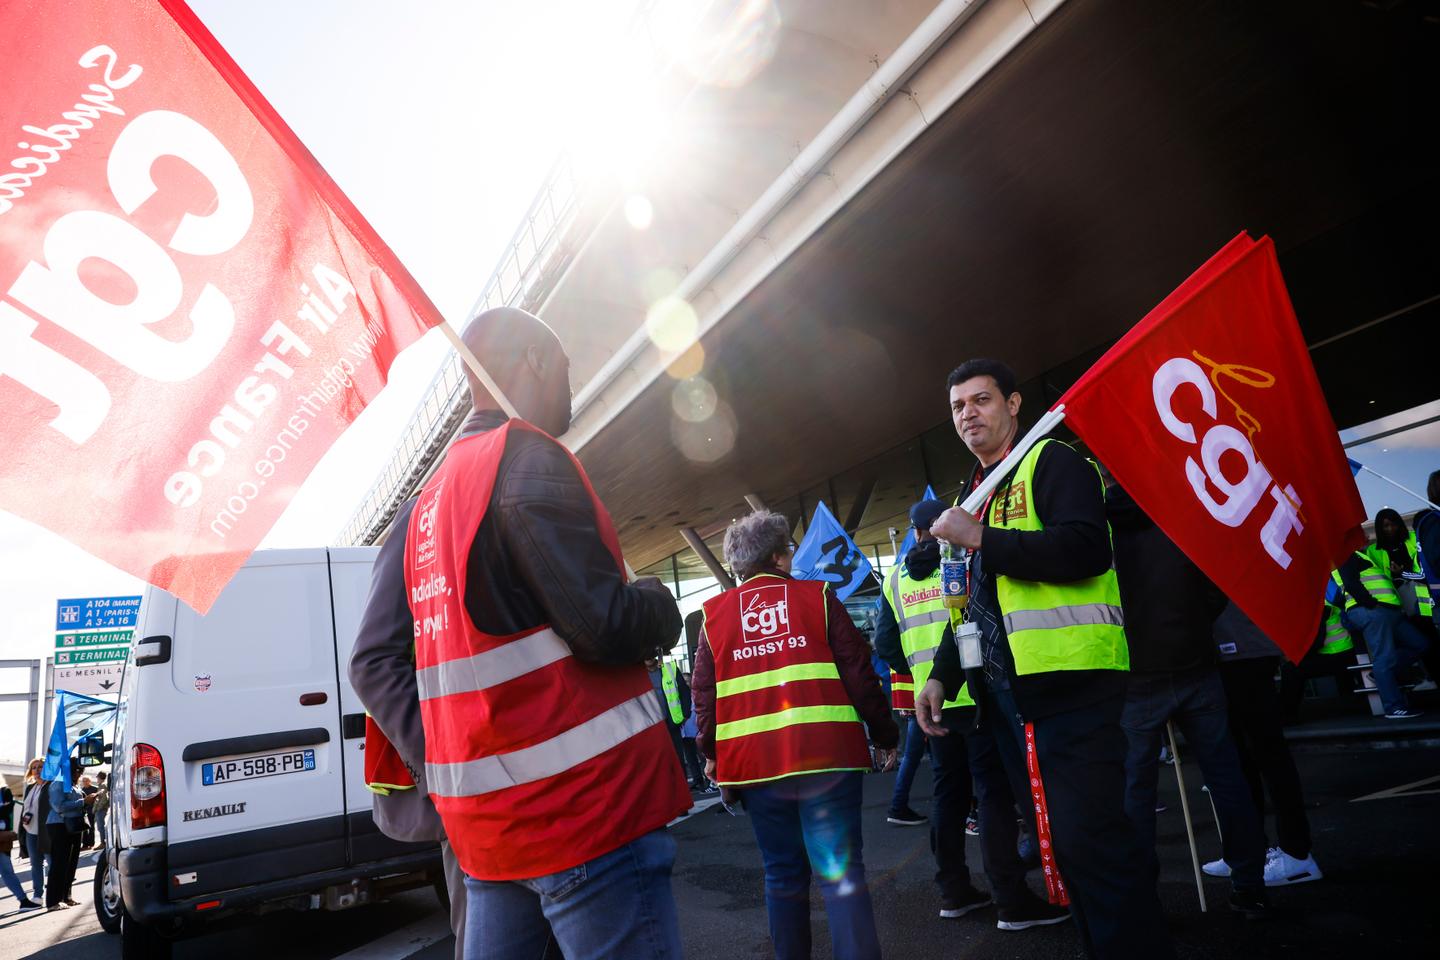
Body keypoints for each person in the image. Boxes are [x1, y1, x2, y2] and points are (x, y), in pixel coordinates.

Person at [398, 306, 690, 960]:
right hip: (583, 813)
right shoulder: (527, 459)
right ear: (531, 362)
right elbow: (601, 623)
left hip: (488, 830)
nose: (570, 386)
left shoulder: (432, 499)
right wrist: (657, 601)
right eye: (564, 369)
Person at [919, 359, 1172, 959]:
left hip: (1073, 681)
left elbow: (1086, 549)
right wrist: (939, 676)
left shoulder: (1054, 462)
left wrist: (982, 538)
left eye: (980, 401)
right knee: (1063, 846)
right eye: (958, 406)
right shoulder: (971, 494)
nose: (968, 414)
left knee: (1094, 842)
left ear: (1013, 405)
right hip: (1009, 696)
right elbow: (969, 606)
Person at [691, 510, 898, 960]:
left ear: (738, 564)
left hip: (756, 767)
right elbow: (859, 673)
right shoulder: (819, 597)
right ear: (780, 557)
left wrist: (710, 753)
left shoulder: (713, 617)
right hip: (828, 757)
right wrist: (885, 734)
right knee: (841, 876)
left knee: (782, 876)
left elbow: (703, 696)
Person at [876, 497, 1063, 928]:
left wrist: (922, 672)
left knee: (948, 797)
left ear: (915, 530)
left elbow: (886, 645)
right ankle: (1011, 899)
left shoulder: (895, 581)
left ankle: (954, 891)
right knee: (993, 795)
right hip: (976, 694)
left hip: (934, 700)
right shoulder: (962, 559)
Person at [1106, 482, 1271, 918]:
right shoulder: (1179, 517)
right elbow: (1217, 585)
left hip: (1137, 673)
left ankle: (1144, 899)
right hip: (1196, 662)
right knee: (1226, 778)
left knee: (1136, 793)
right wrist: (1196, 622)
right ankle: (1250, 884)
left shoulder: (1102, 529)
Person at [350, 492, 475, 960]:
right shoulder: (428, 512)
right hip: (471, 780)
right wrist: (449, 771)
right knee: (483, 930)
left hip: (510, 775)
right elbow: (371, 663)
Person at [1209, 603, 1323, 886]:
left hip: (1243, 650)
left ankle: (1297, 854)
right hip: (1229, 651)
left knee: (1268, 755)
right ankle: (1249, 851)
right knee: (1242, 761)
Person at [1337, 508, 1433, 719]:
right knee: (1384, 658)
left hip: (1390, 612)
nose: (1365, 536)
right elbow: (1350, 583)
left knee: (1420, 644)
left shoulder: (1363, 554)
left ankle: (1382, 674)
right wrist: (1370, 604)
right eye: (1359, 534)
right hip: (1375, 612)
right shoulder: (1345, 555)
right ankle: (1393, 707)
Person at [45, 759, 90, 911]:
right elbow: (59, 806)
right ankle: (53, 901)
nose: (79, 773)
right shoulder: (59, 782)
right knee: (59, 863)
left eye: (80, 770)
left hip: (73, 825)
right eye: (76, 770)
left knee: (71, 863)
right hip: (59, 825)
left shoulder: (73, 784)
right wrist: (83, 801)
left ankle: (66, 897)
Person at [0, 785, 41, 910]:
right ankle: (23, 900)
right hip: (3, 844)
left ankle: (23, 900)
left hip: (3, 845)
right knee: (8, 873)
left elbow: (17, 829)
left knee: (7, 873)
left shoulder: (14, 804)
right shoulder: (15, 805)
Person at [19, 759, 47, 903]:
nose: (37, 770)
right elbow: (24, 810)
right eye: (34, 767)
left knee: (52, 863)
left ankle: (57, 893)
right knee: (36, 865)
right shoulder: (30, 788)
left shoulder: (50, 786)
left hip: (46, 832)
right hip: (30, 831)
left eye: (40, 767)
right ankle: (38, 895)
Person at [91, 772, 110, 850]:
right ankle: (104, 842)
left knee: (100, 826)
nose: (97, 779)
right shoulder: (102, 785)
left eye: (97, 778)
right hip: (101, 809)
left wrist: (98, 808)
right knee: (100, 826)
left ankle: (103, 843)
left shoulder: (102, 785)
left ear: (100, 778)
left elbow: (104, 798)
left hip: (101, 810)